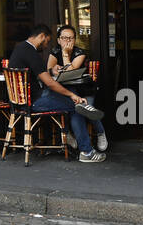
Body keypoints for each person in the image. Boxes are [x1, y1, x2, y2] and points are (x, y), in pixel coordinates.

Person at [10, 23, 105, 163]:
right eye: (47, 41)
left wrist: (52, 71)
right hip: (34, 102)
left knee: (74, 102)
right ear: (42, 36)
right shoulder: (31, 53)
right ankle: (86, 151)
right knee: (77, 105)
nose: (46, 45)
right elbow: (49, 83)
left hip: (21, 101)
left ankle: (68, 134)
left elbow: (43, 75)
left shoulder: (20, 49)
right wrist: (73, 96)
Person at [48, 24, 108, 152]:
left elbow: (70, 74)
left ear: (75, 40)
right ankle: (67, 132)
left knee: (87, 109)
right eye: (64, 38)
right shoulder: (54, 52)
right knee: (62, 105)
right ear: (58, 40)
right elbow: (49, 70)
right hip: (68, 91)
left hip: (84, 90)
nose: (67, 41)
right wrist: (53, 70)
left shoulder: (80, 53)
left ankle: (100, 132)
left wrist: (65, 55)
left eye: (71, 38)